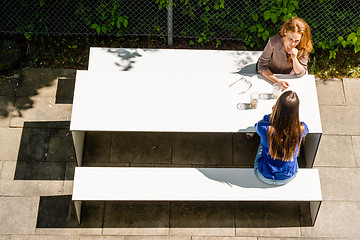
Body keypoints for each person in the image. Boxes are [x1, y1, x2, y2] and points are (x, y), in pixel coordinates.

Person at [254, 91, 309, 185]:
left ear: (277, 107)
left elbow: (256, 126)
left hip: (264, 175)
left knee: (262, 143)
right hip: (288, 176)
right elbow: (304, 129)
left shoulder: (265, 128)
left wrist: (270, 116)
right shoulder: (301, 129)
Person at [256, 17, 313, 90]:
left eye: (297, 41)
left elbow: (301, 73)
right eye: (290, 39)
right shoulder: (273, 42)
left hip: (288, 78)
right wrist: (277, 81)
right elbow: (261, 66)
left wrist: (294, 58)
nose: (292, 43)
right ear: (285, 32)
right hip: (269, 75)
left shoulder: (303, 46)